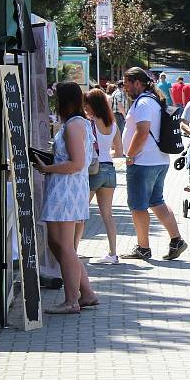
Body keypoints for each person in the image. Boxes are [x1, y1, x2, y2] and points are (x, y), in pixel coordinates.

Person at [32, 82, 99, 314]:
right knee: (59, 244)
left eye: (57, 99)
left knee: (64, 246)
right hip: (69, 189)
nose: (55, 104)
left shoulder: (73, 125)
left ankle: (72, 301)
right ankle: (86, 293)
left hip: (66, 190)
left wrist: (46, 168)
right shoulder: (79, 123)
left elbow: (77, 163)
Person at [119, 67, 188, 261]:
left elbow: (142, 131)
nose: (125, 88)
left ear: (138, 83)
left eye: (127, 84)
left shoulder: (142, 103)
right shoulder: (154, 100)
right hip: (159, 160)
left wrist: (130, 155)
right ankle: (176, 240)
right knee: (156, 202)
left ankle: (143, 248)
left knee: (138, 206)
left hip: (143, 162)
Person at [75, 88, 123, 264]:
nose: (85, 108)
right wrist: (104, 149)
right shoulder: (113, 124)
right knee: (107, 214)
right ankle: (113, 253)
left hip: (93, 170)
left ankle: (73, 250)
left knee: (80, 211)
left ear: (92, 105)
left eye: (86, 105)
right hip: (110, 170)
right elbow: (119, 152)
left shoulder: (89, 123)